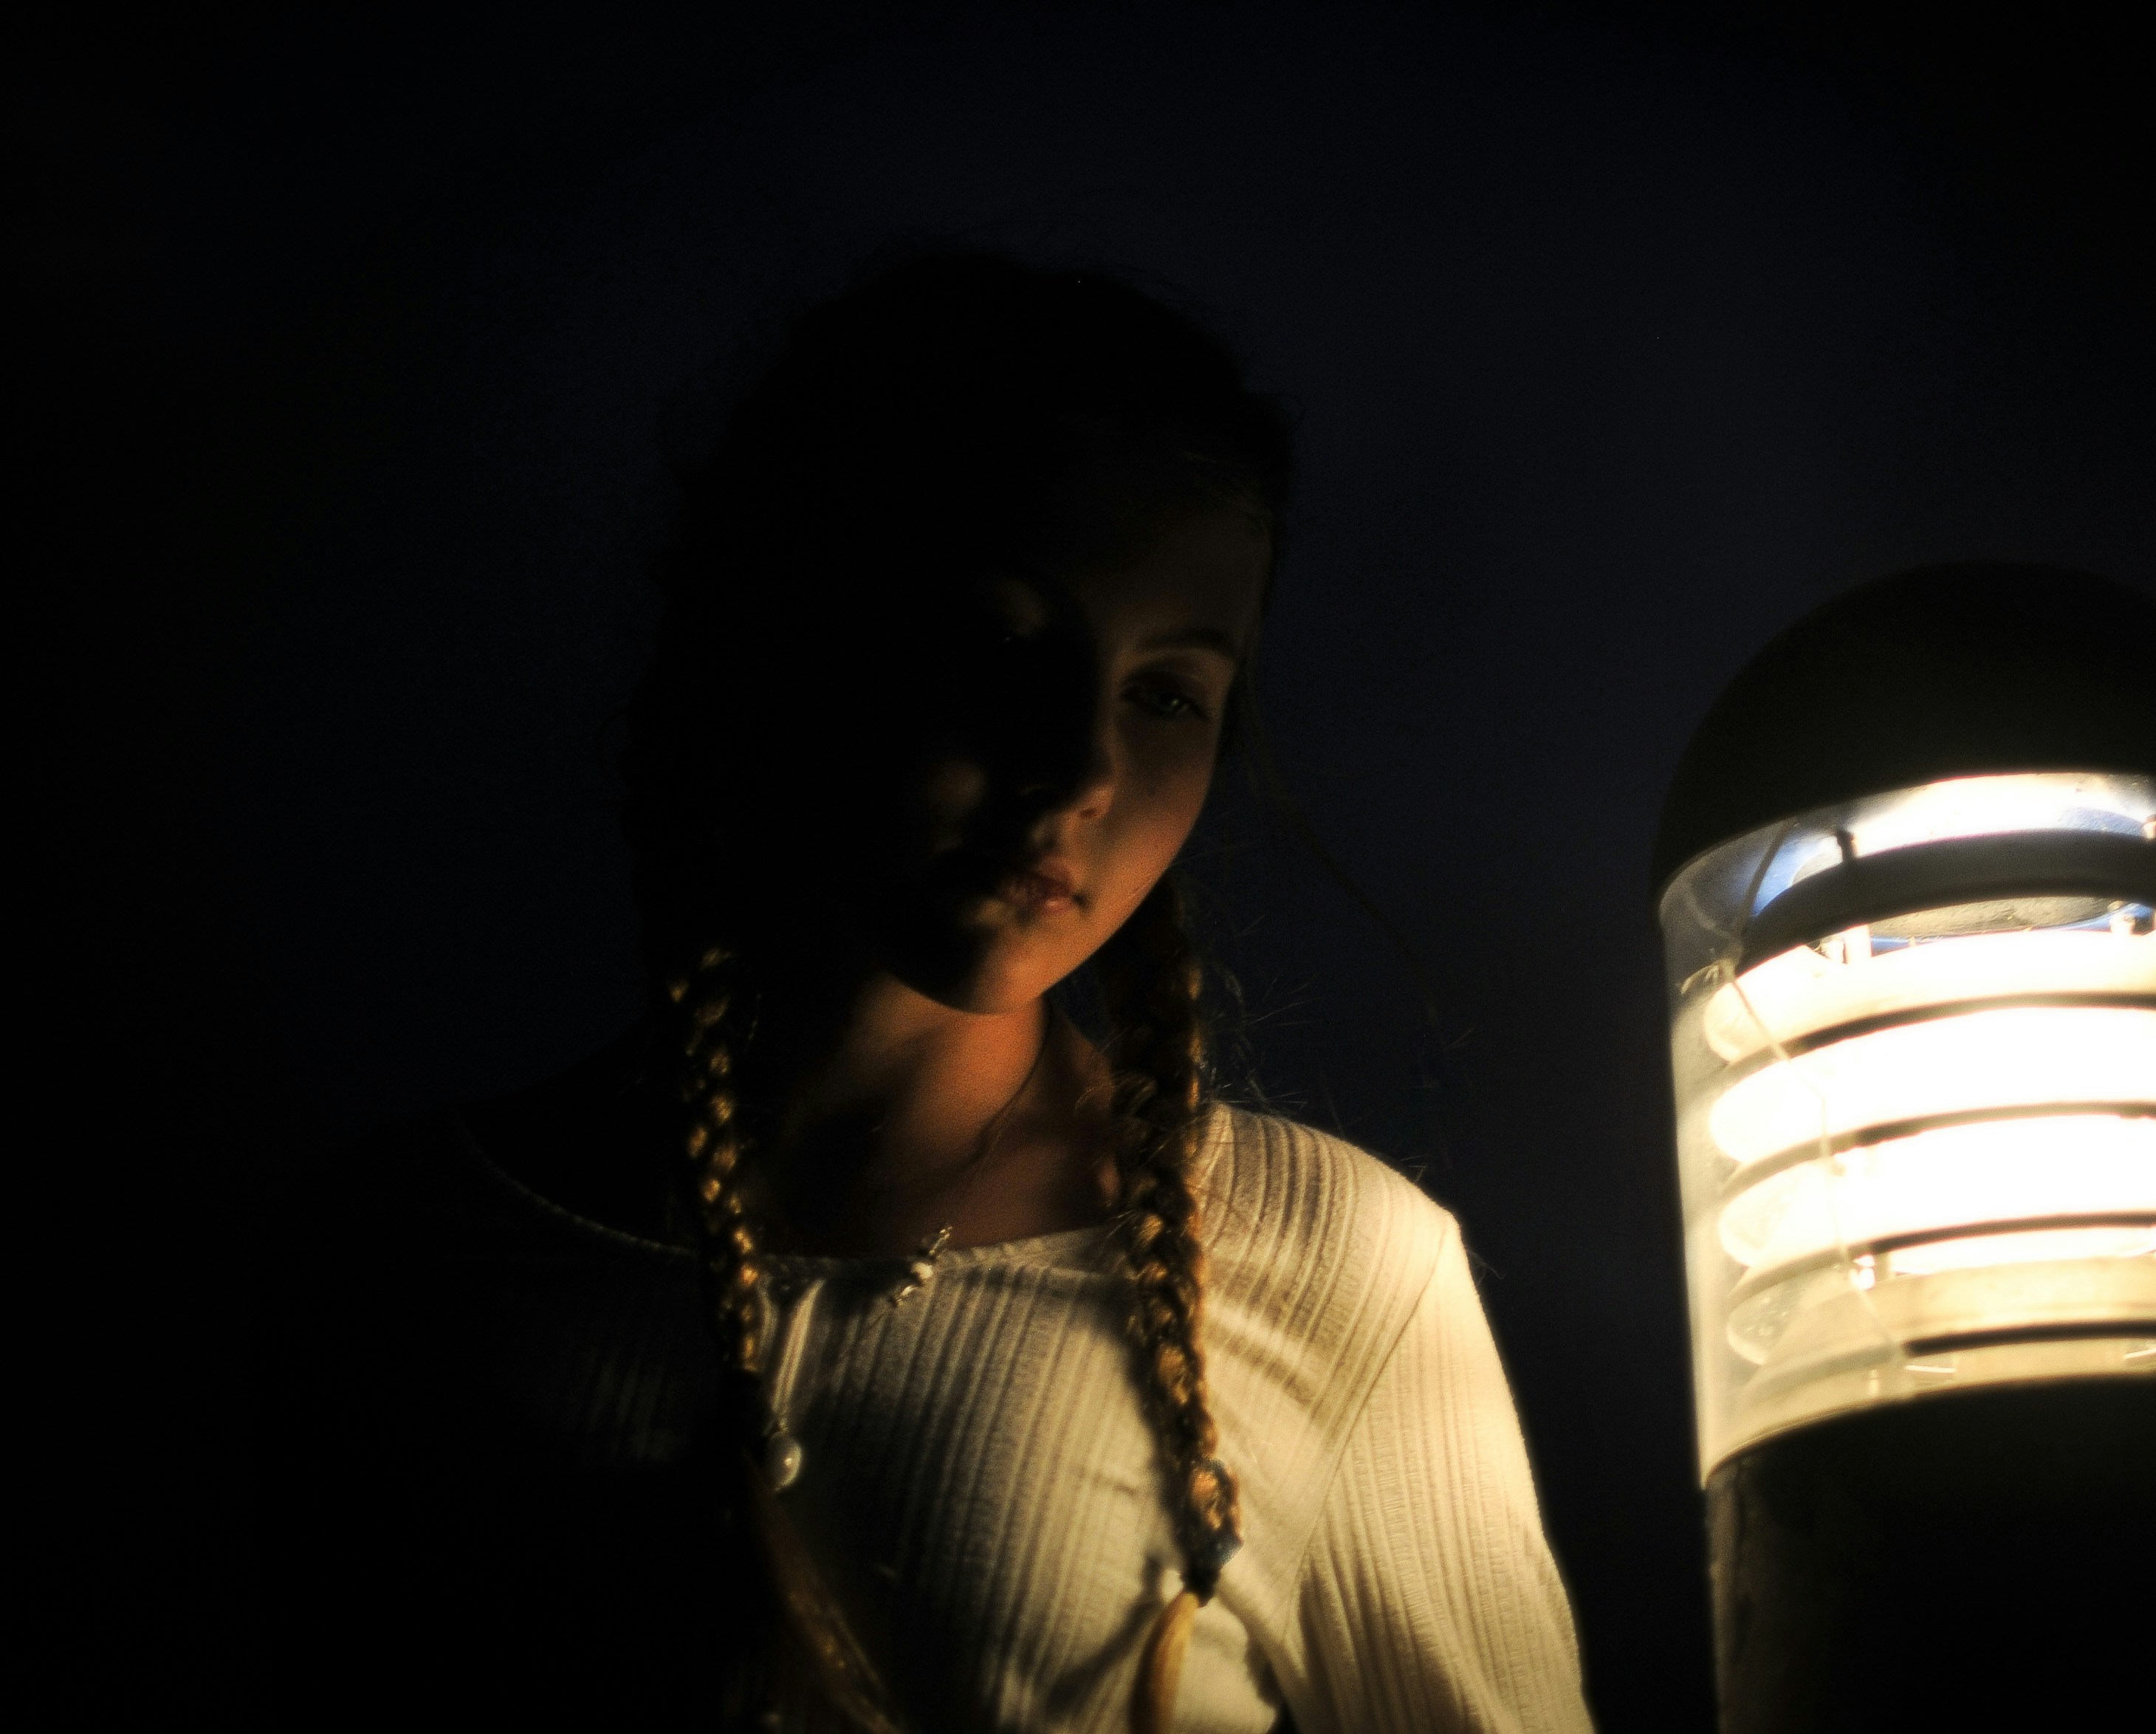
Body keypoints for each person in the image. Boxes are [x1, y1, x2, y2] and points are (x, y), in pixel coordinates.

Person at [340, 256, 1590, 1733]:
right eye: (998, 643)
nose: (1076, 772)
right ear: (782, 629)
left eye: (1167, 691)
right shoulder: (395, 1261)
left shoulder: (1337, 1267)